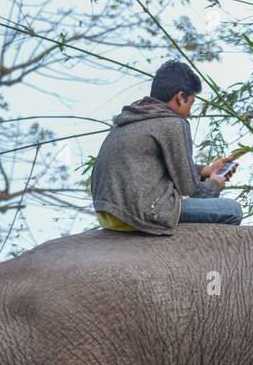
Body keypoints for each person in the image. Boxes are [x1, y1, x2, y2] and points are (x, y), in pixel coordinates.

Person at [91, 59, 242, 234]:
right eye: (191, 103)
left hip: (108, 213)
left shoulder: (133, 118)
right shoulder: (173, 123)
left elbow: (164, 165)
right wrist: (215, 183)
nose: (190, 112)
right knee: (232, 210)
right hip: (142, 211)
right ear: (180, 97)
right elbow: (192, 191)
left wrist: (206, 170)